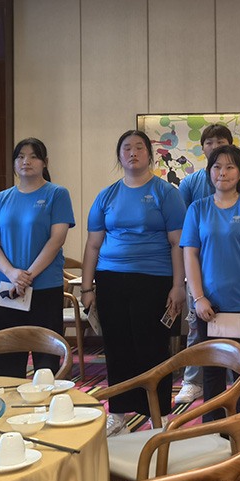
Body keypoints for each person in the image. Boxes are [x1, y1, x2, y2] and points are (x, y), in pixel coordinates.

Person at [80, 130, 187, 435]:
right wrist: (87, 288)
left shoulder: (166, 193)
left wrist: (178, 285)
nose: (133, 153)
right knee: (117, 348)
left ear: (149, 155)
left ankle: (157, 414)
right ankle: (118, 415)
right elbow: (92, 245)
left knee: (152, 348)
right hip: (110, 280)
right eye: (126, 148)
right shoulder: (107, 195)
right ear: (119, 155)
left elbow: (177, 243)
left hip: (154, 280)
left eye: (139, 147)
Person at [181, 144, 240, 422]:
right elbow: (190, 255)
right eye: (217, 167)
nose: (223, 172)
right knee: (212, 369)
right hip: (210, 305)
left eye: (230, 167)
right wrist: (198, 297)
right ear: (209, 172)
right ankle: (213, 429)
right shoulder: (197, 209)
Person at [176, 123, 240, 404]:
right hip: (204, 286)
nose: (222, 171)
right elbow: (188, 244)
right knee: (201, 343)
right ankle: (194, 386)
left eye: (220, 142)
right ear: (203, 150)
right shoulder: (192, 190)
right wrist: (197, 293)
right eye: (209, 143)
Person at [0, 138, 75, 378]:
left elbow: (56, 240)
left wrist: (27, 276)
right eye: (21, 156)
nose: (26, 161)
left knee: (46, 361)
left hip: (45, 287)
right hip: (8, 288)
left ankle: (45, 401)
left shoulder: (57, 194)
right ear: (14, 162)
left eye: (34, 156)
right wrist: (12, 274)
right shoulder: (1, 198)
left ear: (45, 162)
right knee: (8, 359)